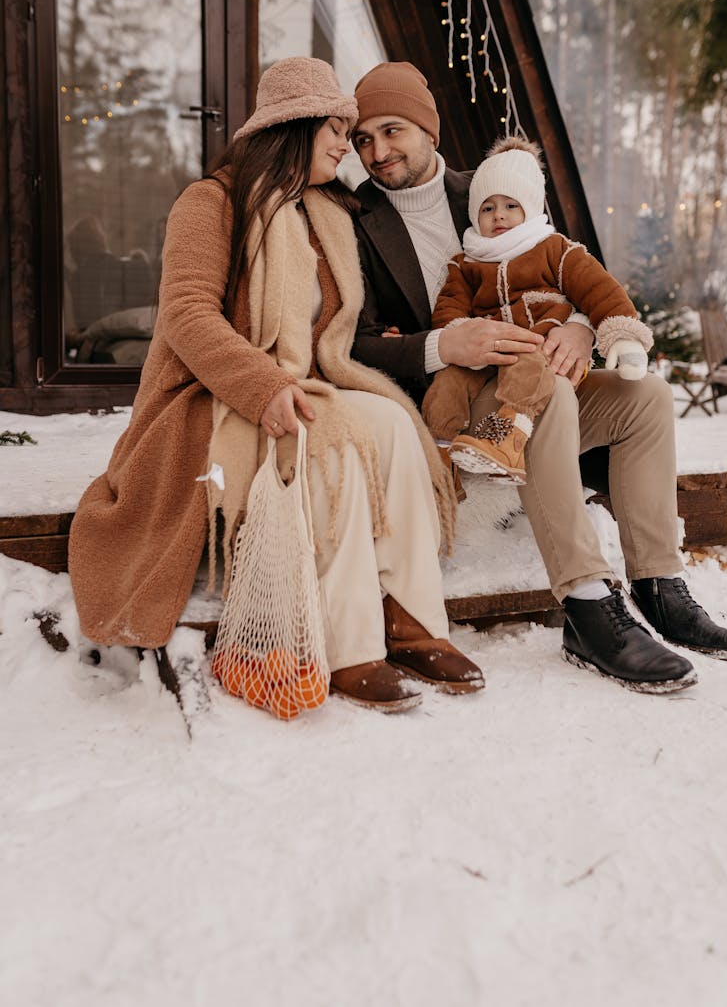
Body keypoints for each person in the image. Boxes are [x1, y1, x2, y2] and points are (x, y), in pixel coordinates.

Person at [68, 56, 484, 715]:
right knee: (336, 442)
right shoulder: (209, 205)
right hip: (214, 401)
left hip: (305, 387)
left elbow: (331, 334)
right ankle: (351, 646)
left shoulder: (324, 214)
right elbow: (186, 315)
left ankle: (412, 621)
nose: (349, 143)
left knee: (396, 426)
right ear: (297, 126)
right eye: (338, 127)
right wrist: (263, 387)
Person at [350, 60, 727, 693]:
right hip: (454, 395)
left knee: (644, 395)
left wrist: (583, 331)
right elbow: (354, 343)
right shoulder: (354, 220)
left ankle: (661, 586)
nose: (378, 151)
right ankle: (589, 605)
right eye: (363, 139)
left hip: (539, 367)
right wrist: (442, 343)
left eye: (392, 131)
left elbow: (571, 273)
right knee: (552, 395)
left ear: (428, 129)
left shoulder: (492, 187)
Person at [422, 135, 652, 483]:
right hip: (487, 355)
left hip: (540, 347)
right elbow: (449, 307)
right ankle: (441, 458)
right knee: (446, 384)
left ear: (529, 208)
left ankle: (507, 437)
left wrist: (624, 337)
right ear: (474, 214)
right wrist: (458, 336)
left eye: (510, 205)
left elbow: (598, 288)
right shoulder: (466, 262)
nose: (499, 215)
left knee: (527, 364)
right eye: (488, 207)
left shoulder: (553, 249)